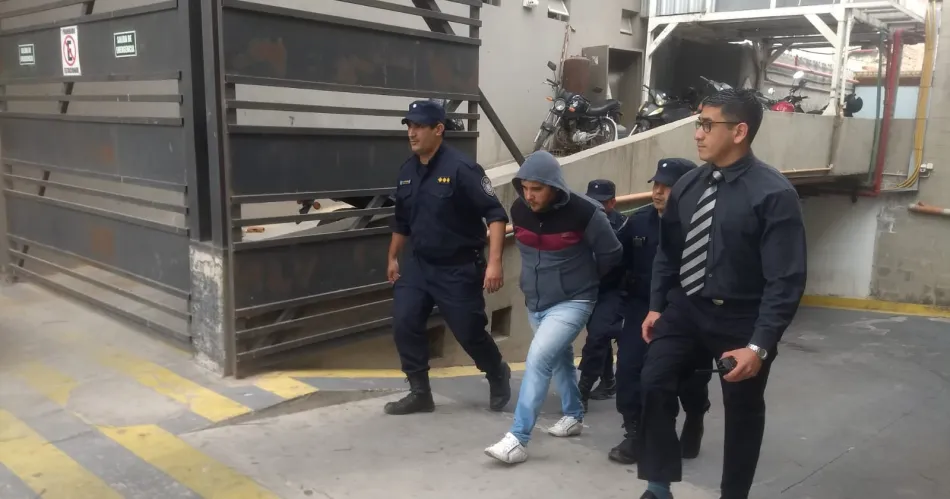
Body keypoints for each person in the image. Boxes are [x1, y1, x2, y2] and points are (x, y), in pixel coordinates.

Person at [637, 89, 807, 499]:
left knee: (743, 409)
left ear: (739, 132)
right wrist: (657, 306)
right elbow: (668, 252)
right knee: (654, 381)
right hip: (687, 307)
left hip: (741, 317)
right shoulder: (688, 185)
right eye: (698, 124)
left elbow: (785, 279)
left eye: (707, 125)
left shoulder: (774, 195)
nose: (697, 133)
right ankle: (658, 487)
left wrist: (759, 346)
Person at [484, 151, 622, 464]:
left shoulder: (586, 212)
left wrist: (586, 282)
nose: (529, 196)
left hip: (574, 300)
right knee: (559, 359)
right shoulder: (519, 209)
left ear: (554, 187)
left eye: (537, 189)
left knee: (538, 358)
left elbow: (612, 253)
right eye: (524, 188)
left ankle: (517, 439)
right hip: (536, 300)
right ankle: (573, 415)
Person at [386, 100, 512, 416]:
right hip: (419, 265)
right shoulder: (406, 171)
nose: (411, 133)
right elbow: (401, 222)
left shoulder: (462, 169)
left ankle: (496, 370)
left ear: (439, 129)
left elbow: (496, 215)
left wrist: (495, 262)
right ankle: (420, 392)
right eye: (409, 126)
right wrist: (393, 257)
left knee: (469, 332)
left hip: (458, 267)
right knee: (404, 322)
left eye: (419, 126)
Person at [607, 158, 713, 466]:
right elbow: (618, 266)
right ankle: (635, 432)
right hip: (641, 308)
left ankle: (695, 416)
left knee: (690, 377)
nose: (657, 192)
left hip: (688, 311)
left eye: (667, 187)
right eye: (656, 185)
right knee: (629, 369)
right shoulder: (639, 222)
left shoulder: (705, 226)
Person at [576, 179, 635, 410]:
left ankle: (583, 389)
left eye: (601, 202)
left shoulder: (625, 226)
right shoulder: (581, 220)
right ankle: (608, 380)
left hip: (614, 289)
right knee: (598, 334)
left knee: (599, 335)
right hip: (587, 286)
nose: (596, 206)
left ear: (612, 203)